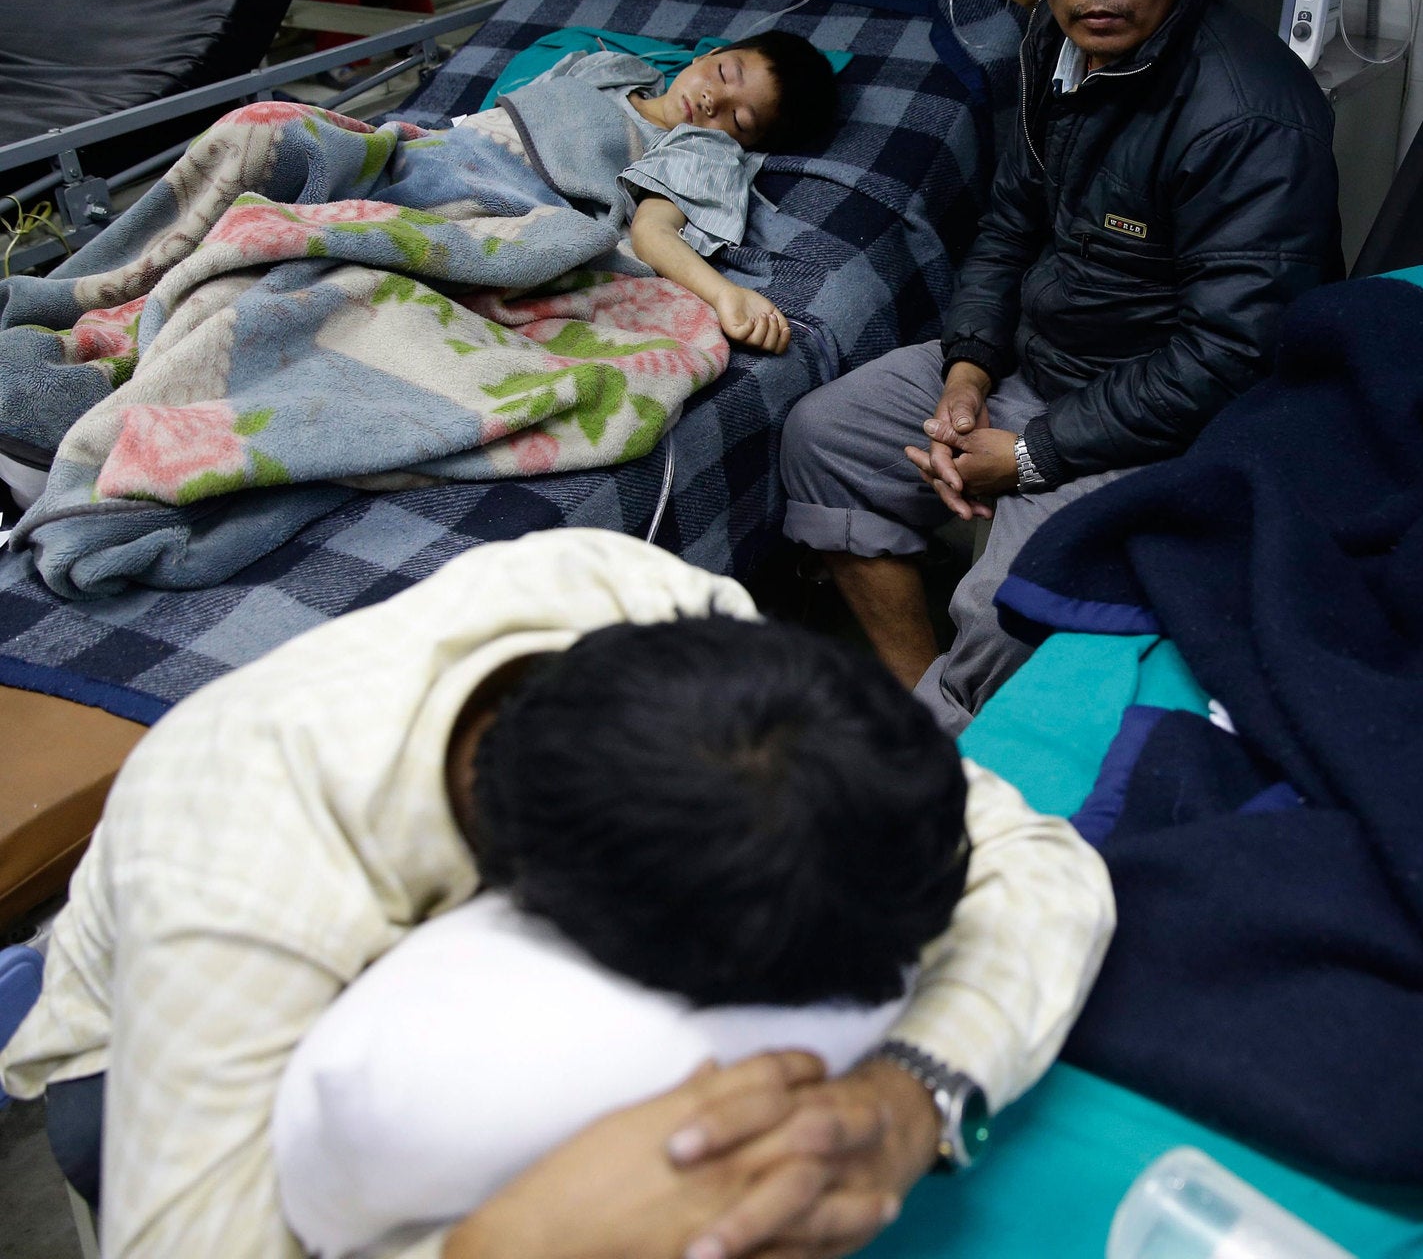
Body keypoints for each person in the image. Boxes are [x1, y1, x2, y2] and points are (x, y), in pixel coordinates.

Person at [0, 528, 1114, 1259]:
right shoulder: (239, 868)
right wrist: (510, 1248)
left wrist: (906, 1100)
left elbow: (1043, 867)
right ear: (526, 916)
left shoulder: (646, 606)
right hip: (126, 1048)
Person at [780, 0, 1341, 734]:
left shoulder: (1251, 116)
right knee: (822, 441)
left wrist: (1031, 456)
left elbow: (1228, 357)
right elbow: (1008, 223)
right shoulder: (1052, 46)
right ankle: (931, 717)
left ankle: (960, 783)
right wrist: (965, 370)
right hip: (1041, 369)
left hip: (1166, 421)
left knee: (1004, 604)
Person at [464, 30, 839, 355]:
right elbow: (504, 113)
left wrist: (726, 294)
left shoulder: (699, 150)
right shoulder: (610, 68)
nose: (714, 100)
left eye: (739, 120)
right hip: (455, 153)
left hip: (507, 209)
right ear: (708, 54)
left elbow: (652, 231)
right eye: (724, 73)